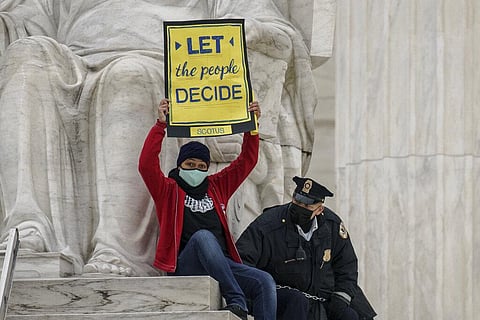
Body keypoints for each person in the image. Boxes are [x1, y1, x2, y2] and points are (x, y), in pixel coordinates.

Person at [0, 0, 320, 276]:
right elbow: (26, 19)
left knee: (128, 76)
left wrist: (245, 37)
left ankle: (121, 249)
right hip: (69, 60)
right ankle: (28, 227)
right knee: (25, 57)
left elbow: (270, 28)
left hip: (165, 68)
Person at [137, 98, 276, 320]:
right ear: (180, 165)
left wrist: (252, 127)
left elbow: (247, 161)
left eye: (202, 166)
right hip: (187, 263)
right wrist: (160, 125)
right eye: (190, 165)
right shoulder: (168, 189)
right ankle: (236, 299)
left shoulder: (217, 186)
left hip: (221, 262)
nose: (196, 170)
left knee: (264, 281)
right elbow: (146, 165)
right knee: (203, 237)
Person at [236, 176, 377, 320]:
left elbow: (347, 265)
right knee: (297, 301)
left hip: (323, 295)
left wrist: (341, 297)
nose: (300, 208)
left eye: (307, 206)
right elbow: (241, 260)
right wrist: (255, 297)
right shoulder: (269, 224)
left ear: (319, 209)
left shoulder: (331, 225)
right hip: (283, 297)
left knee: (352, 313)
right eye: (297, 202)